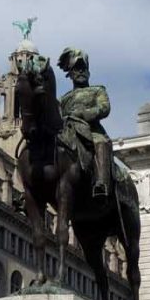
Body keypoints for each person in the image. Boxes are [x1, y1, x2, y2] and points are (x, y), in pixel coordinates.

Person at [55, 48, 114, 198]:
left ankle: (101, 183)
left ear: (88, 71)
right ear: (70, 74)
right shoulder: (64, 99)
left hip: (91, 131)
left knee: (100, 142)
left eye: (83, 68)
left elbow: (104, 108)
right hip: (68, 133)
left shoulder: (97, 90)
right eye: (76, 69)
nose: (80, 72)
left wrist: (84, 114)